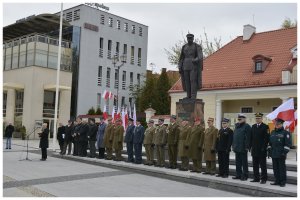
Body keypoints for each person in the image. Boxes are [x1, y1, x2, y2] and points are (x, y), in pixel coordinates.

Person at [178, 33, 203, 99]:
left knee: (193, 80)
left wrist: (195, 59)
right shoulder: (184, 47)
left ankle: (193, 96)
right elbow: (181, 58)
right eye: (188, 38)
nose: (189, 39)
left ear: (193, 38)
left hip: (193, 66)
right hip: (185, 65)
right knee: (187, 81)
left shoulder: (196, 46)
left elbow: (200, 56)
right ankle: (188, 95)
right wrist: (180, 66)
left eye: (190, 38)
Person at [268, 118, 291, 187]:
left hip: (281, 154)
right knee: (275, 168)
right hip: (274, 154)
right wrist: (269, 151)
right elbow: (270, 143)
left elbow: (288, 145)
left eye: (278, 124)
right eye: (276, 124)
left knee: (282, 169)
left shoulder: (285, 133)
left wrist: (284, 153)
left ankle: (283, 181)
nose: (277, 125)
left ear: (282, 124)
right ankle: (277, 181)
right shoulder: (272, 132)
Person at [249, 113, 270, 184]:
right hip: (254, 149)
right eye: (256, 118)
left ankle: (264, 178)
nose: (257, 119)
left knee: (263, 165)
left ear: (262, 119)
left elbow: (266, 138)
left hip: (262, 149)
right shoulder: (253, 126)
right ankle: (256, 178)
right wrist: (250, 146)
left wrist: (264, 147)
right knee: (255, 164)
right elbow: (251, 138)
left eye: (259, 118)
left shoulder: (265, 126)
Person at [232, 114, 251, 181]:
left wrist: (247, 146)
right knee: (238, 162)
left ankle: (245, 175)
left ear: (244, 119)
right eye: (239, 119)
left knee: (244, 163)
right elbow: (235, 136)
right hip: (237, 147)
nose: (239, 120)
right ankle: (238, 175)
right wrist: (233, 145)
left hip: (243, 147)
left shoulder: (247, 126)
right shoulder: (237, 126)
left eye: (241, 119)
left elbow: (248, 138)